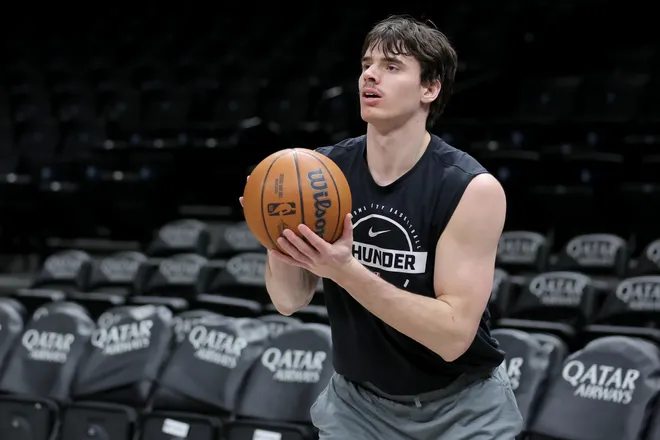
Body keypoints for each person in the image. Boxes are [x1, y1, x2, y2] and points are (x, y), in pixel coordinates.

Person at [241, 14, 523, 440]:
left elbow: (451, 336)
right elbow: (289, 300)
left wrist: (344, 270)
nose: (370, 75)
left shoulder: (469, 188)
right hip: (358, 406)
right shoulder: (321, 173)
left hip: (460, 410)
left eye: (392, 66)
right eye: (366, 63)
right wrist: (276, 237)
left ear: (430, 89)